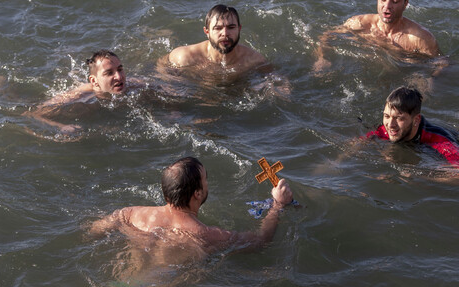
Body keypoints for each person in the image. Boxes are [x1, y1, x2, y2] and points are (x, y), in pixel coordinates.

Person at [89, 157, 294, 257]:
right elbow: (262, 241)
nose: (207, 184)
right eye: (205, 180)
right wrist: (277, 205)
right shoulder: (207, 234)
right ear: (197, 193)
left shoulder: (130, 214)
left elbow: (94, 231)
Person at [314, 0, 443, 73]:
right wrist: (323, 58)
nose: (387, 6)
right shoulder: (360, 24)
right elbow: (328, 35)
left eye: (395, 1)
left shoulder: (420, 38)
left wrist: (428, 81)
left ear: (405, 5)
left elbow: (441, 64)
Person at [26, 49, 148, 133]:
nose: (119, 77)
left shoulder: (133, 84)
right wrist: (61, 127)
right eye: (109, 73)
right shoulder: (79, 96)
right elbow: (31, 115)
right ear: (94, 81)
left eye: (120, 69)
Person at [365, 86, 459, 168]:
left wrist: (418, 176)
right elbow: (354, 146)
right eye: (386, 116)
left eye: (399, 118)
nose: (390, 125)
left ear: (416, 120)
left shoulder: (439, 140)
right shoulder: (383, 130)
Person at [163, 4, 268, 72]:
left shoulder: (254, 60)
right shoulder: (184, 57)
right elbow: (161, 72)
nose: (225, 33)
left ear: (239, 29)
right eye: (218, 28)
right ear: (207, 32)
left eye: (231, 27)